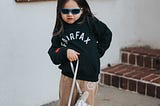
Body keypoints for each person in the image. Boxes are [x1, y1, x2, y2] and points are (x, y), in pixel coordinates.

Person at [48, 0, 112, 105]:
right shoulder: (60, 28)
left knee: (85, 104)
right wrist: (65, 52)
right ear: (59, 11)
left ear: (82, 10)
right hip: (68, 78)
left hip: (89, 77)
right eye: (65, 11)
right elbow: (53, 52)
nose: (70, 14)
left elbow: (106, 35)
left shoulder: (89, 22)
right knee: (66, 103)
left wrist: (96, 53)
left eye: (75, 11)